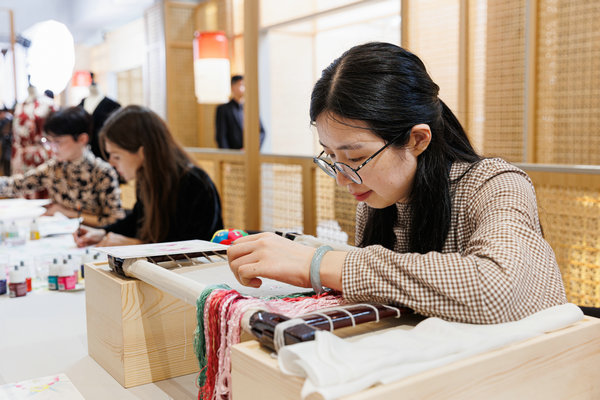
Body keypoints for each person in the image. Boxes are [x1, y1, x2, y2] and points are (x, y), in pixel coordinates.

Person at [227, 42, 566, 324]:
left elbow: (500, 290)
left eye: (356, 157)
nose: (342, 178)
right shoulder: (377, 200)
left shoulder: (495, 184)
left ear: (417, 139)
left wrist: (316, 264)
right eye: (331, 156)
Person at [74, 105, 223, 247]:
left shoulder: (194, 183)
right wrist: (102, 233)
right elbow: (137, 219)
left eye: (116, 156)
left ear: (142, 152)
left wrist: (135, 245)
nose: (111, 163)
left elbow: (192, 248)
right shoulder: (148, 180)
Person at [0, 106, 124, 226]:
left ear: (82, 139)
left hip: (92, 236)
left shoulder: (102, 172)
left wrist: (66, 212)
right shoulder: (54, 167)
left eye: (58, 142)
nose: (52, 148)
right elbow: (18, 184)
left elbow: (115, 220)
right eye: (49, 141)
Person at [215, 75, 265, 149]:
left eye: (245, 85)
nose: (244, 88)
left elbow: (262, 132)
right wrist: (229, 154)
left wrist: (252, 148)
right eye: (241, 85)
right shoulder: (223, 109)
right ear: (233, 87)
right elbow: (221, 137)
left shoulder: (251, 109)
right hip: (233, 153)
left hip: (250, 152)